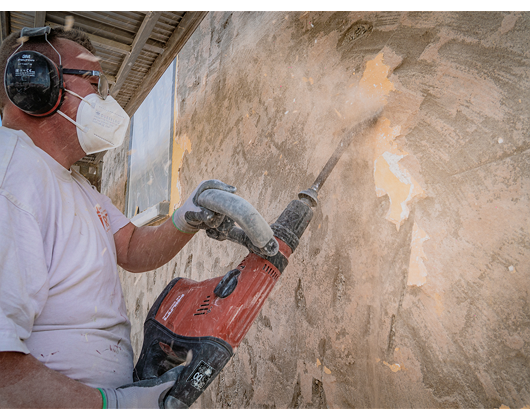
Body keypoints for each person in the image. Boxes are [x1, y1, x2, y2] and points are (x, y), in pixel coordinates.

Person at [0, 26, 236, 408]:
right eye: (94, 83)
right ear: (38, 85)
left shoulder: (70, 183)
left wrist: (185, 217)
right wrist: (113, 405)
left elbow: (129, 247)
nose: (104, 100)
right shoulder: (12, 176)